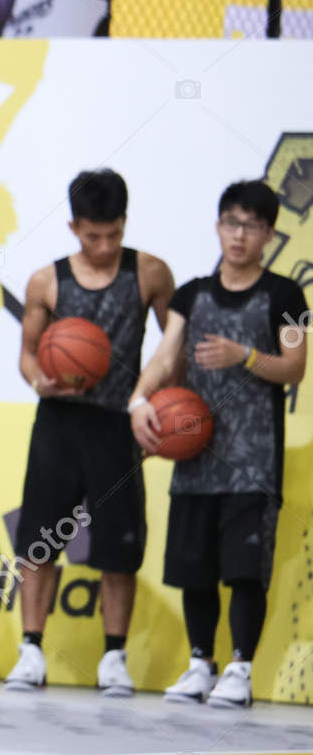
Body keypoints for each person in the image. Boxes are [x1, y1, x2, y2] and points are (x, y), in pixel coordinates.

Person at [129, 181, 306, 708]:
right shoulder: (191, 294)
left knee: (244, 570)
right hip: (195, 453)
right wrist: (139, 400)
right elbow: (165, 357)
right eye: (230, 222)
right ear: (217, 225)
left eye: (251, 226)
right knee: (194, 567)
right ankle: (200, 663)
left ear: (269, 235)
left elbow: (294, 367)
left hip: (253, 461)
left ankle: (240, 669)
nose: (238, 235)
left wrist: (244, 355)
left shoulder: (286, 296)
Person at [5, 169, 174, 696]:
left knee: (118, 547)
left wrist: (161, 405)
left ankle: (114, 658)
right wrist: (39, 381)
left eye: (113, 235)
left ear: (125, 223)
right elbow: (28, 354)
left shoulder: (149, 273)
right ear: (73, 226)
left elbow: (176, 347)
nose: (103, 246)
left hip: (118, 424)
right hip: (60, 421)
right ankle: (31, 649)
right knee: (39, 540)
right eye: (92, 235)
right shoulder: (46, 281)